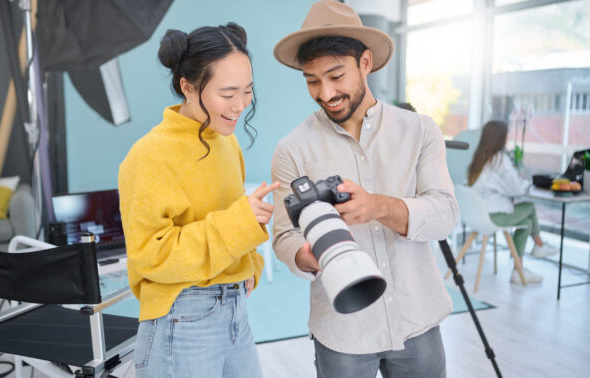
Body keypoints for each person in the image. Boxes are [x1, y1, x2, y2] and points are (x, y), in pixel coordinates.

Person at [270, 1, 458, 377]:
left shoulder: (419, 130)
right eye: (312, 80)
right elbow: (283, 236)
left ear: (366, 63)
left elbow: (445, 215)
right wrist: (306, 256)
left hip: (417, 321)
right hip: (342, 330)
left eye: (336, 76)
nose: (325, 93)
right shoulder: (292, 149)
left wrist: (378, 207)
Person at [118, 23, 279, 378]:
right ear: (187, 87)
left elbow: (229, 213)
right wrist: (241, 223)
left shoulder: (226, 142)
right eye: (228, 93)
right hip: (182, 315)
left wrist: (249, 266)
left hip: (233, 306)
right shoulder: (149, 155)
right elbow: (150, 255)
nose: (240, 106)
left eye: (248, 91)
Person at [468, 120, 558, 284]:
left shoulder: (479, 159)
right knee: (529, 207)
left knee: (527, 222)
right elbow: (516, 189)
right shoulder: (498, 160)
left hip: (477, 215)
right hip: (493, 217)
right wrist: (526, 182)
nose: (508, 137)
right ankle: (539, 246)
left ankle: (519, 269)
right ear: (499, 138)